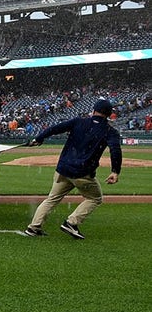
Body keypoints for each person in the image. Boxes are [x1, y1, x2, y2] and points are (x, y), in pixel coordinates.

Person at [22, 99, 122, 239]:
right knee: (95, 198)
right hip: (82, 172)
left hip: (63, 169)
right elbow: (115, 150)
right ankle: (71, 223)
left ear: (93, 110)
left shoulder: (78, 121)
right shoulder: (110, 131)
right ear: (109, 115)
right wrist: (115, 171)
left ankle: (34, 227)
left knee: (52, 199)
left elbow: (54, 128)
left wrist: (39, 138)